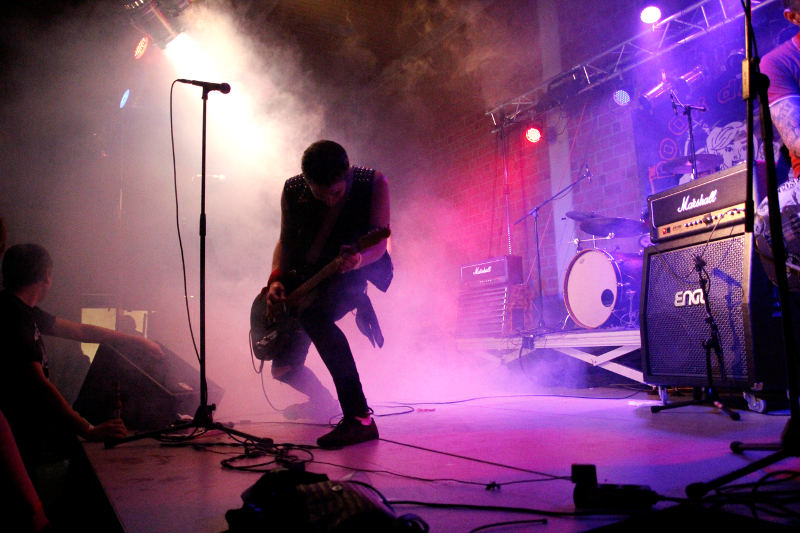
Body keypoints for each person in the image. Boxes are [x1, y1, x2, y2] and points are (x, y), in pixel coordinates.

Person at [0, 243, 164, 525]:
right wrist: (88, 429)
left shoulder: (22, 311)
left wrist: (136, 341)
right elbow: (39, 384)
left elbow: (80, 330)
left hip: (22, 434)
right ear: (46, 276)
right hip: (14, 436)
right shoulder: (11, 314)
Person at [262, 140, 391, 449]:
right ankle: (323, 404)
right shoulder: (293, 189)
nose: (331, 201)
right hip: (305, 282)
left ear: (346, 175)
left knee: (314, 316)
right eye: (322, 195)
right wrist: (276, 279)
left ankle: (360, 418)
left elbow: (379, 243)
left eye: (336, 193)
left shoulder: (372, 183)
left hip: (351, 275)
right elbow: (285, 241)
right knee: (283, 368)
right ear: (308, 183)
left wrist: (358, 260)